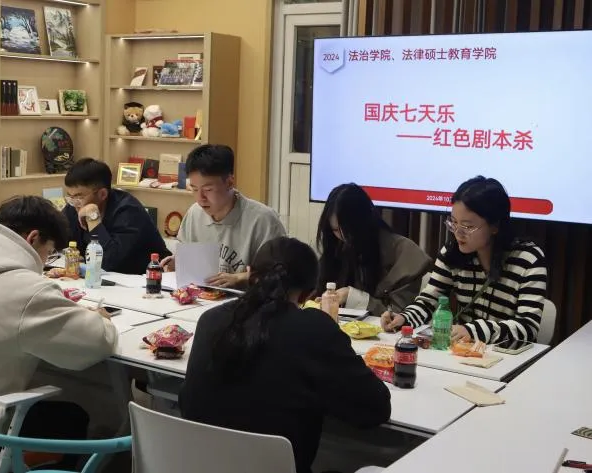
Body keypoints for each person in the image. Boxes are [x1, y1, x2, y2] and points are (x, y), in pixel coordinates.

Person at [180, 237, 391, 473]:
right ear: (308, 294)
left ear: (250, 274)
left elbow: (189, 402)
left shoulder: (211, 320)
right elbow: (376, 408)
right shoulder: (314, 330)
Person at [0, 196, 117, 467]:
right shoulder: (25, 289)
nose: (46, 261)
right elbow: (96, 342)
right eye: (49, 252)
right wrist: (101, 318)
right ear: (33, 238)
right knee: (71, 417)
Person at [382, 176, 547, 343]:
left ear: (495, 226)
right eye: (454, 223)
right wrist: (404, 318)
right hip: (462, 351)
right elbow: (429, 301)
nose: (458, 233)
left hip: (505, 354)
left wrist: (473, 331)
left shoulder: (528, 260)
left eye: (468, 226)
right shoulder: (452, 252)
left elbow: (528, 328)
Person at [163, 144, 286, 288]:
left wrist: (241, 277)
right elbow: (190, 264)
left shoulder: (263, 220)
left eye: (208, 189)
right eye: (194, 189)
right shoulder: (194, 213)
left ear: (229, 182)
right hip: (201, 297)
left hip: (247, 299)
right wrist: (177, 263)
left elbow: (282, 273)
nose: (200, 198)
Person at [316, 183, 432, 316]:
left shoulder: (405, 254)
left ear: (364, 222)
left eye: (348, 231)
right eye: (336, 230)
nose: (343, 238)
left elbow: (399, 315)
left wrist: (352, 296)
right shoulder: (335, 245)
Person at [63, 158, 171, 275]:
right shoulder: (75, 206)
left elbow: (109, 261)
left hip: (151, 278)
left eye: (79, 197)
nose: (74, 203)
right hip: (105, 279)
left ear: (102, 194)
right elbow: (56, 237)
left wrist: (93, 217)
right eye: (70, 197)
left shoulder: (129, 211)